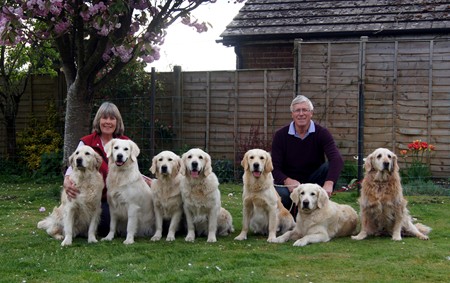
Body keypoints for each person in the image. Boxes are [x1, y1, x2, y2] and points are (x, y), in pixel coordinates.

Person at [63, 101, 152, 236]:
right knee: (104, 225)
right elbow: (73, 166)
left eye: (112, 118)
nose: (108, 122)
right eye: (104, 118)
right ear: (98, 120)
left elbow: (134, 171)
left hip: (115, 199)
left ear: (117, 122)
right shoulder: (87, 142)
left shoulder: (125, 142)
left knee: (105, 224)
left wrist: (148, 181)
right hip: (96, 198)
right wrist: (66, 180)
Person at [271, 95, 344, 215]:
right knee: (281, 196)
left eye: (304, 110)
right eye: (297, 110)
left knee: (328, 167)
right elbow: (274, 167)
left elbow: (337, 159)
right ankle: (292, 216)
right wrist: (287, 180)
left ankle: (319, 211)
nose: (301, 114)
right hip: (289, 184)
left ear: (311, 113)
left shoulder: (322, 133)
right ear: (292, 114)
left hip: (313, 180)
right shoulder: (280, 135)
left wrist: (329, 183)